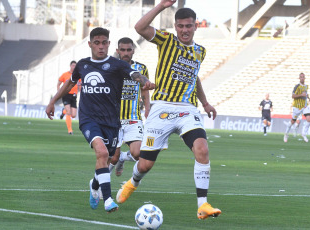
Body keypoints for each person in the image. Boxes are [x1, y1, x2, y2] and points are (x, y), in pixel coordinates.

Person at [116, 1, 221, 220]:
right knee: (145, 164)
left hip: (187, 109)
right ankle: (132, 182)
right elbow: (139, 28)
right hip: (161, 107)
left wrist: (205, 103)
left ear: (195, 27)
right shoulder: (166, 41)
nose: (184, 30)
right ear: (175, 27)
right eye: (181, 26)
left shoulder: (200, 51)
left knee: (202, 149)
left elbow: (195, 78)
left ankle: (203, 205)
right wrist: (162, 6)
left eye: (189, 26)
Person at [45, 27, 155, 213]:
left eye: (104, 43)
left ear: (109, 44)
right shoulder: (82, 65)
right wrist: (53, 101)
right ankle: (108, 200)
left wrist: (144, 81)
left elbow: (135, 75)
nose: (101, 46)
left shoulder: (117, 65)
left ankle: (94, 184)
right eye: (97, 43)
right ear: (90, 44)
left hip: (112, 121)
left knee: (109, 158)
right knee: (103, 154)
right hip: (89, 119)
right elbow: (70, 83)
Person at [108, 37, 150, 177]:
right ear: (117, 51)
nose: (126, 53)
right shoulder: (111, 68)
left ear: (133, 51)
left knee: (138, 153)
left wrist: (148, 109)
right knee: (112, 157)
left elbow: (144, 89)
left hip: (133, 117)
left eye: (128, 50)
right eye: (123, 50)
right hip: (114, 119)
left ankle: (123, 157)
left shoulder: (141, 68)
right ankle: (100, 185)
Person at [284, 72, 310, 142]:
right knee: (293, 121)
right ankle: (286, 134)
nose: (302, 78)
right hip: (297, 106)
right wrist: (301, 95)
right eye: (301, 77)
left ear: (304, 78)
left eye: (303, 77)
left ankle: (303, 134)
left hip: (304, 106)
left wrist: (309, 99)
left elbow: (306, 94)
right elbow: (293, 96)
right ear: (299, 78)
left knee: (309, 119)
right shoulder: (297, 86)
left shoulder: (306, 86)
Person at [57, 60, 80, 134]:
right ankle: (70, 130)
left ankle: (64, 111)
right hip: (66, 94)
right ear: (70, 66)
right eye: (73, 65)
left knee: (73, 115)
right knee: (69, 112)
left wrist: (81, 87)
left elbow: (80, 85)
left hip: (74, 95)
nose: (74, 67)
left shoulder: (78, 75)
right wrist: (59, 92)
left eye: (75, 66)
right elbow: (58, 84)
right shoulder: (65, 74)